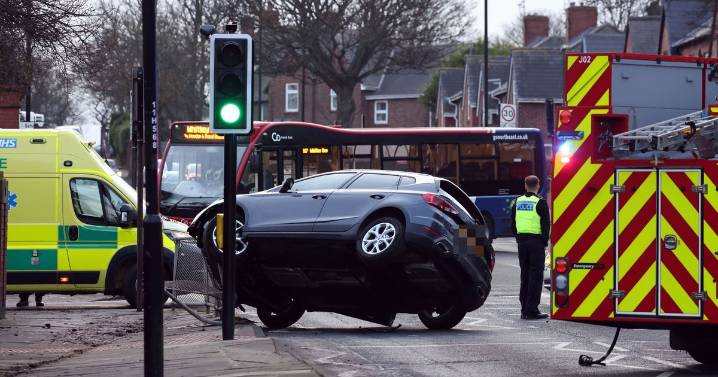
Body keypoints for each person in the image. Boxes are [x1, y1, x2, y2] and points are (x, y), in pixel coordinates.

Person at [511, 175, 550, 320]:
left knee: (525, 275)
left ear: (525, 185)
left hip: (522, 243)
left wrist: (518, 238)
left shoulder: (517, 201)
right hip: (536, 243)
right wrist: (544, 242)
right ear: (538, 185)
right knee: (536, 276)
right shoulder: (540, 202)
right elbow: (546, 225)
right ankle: (532, 310)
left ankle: (524, 309)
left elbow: (513, 223)